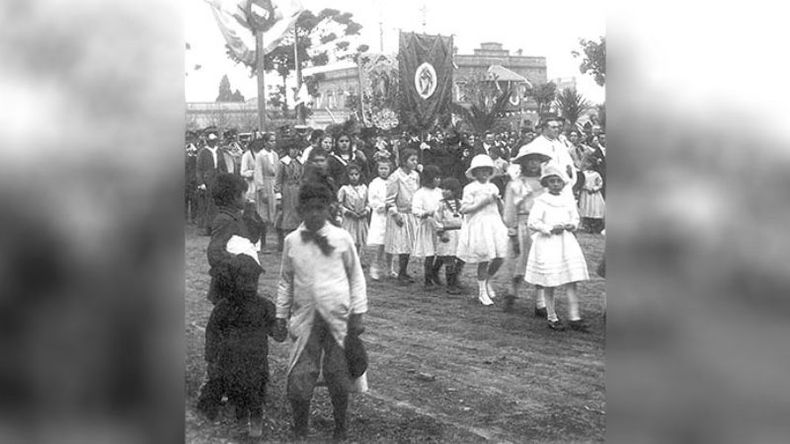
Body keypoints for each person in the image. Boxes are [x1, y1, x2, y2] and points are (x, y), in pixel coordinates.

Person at [274, 182, 368, 441]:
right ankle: (300, 428)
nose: (315, 213)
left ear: (330, 208)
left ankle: (340, 426)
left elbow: (356, 276)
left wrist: (358, 313)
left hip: (338, 317)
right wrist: (280, 315)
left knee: (338, 373)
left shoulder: (342, 237)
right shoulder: (292, 240)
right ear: (299, 209)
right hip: (306, 318)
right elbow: (285, 280)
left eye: (320, 208)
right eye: (309, 208)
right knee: (301, 375)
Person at [196, 253, 285, 437]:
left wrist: (281, 326)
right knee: (237, 394)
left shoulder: (264, 306)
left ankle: (256, 427)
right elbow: (212, 332)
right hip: (231, 362)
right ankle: (243, 424)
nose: (250, 284)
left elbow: (276, 334)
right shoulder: (224, 307)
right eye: (244, 279)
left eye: (254, 279)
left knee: (255, 395)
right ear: (233, 280)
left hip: (256, 363)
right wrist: (211, 360)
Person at [525, 165, 590, 332]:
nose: (555, 184)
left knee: (571, 279)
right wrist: (550, 228)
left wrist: (572, 225)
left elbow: (575, 217)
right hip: (548, 243)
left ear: (563, 183)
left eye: (558, 181)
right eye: (551, 181)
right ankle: (552, 316)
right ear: (546, 183)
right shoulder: (541, 201)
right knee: (550, 281)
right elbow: (533, 223)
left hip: (566, 243)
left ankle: (574, 316)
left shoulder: (568, 200)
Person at [502, 144, 552, 314]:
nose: (534, 164)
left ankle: (540, 302)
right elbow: (510, 209)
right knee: (519, 263)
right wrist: (513, 230)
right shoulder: (516, 184)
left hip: (542, 227)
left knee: (542, 263)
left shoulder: (547, 183)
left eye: (537, 161)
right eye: (530, 161)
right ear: (523, 163)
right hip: (524, 225)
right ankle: (512, 293)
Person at [456, 154, 509, 306]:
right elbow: (464, 209)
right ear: (475, 172)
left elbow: (500, 208)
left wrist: (499, 202)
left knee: (500, 256)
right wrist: (482, 202)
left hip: (494, 223)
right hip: (479, 224)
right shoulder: (469, 188)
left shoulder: (493, 187)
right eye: (481, 171)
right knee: (484, 259)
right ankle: (482, 292)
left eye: (487, 170)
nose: (484, 173)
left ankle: (488, 280)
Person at [206, 173, 264, 305]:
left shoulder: (238, 216)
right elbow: (214, 252)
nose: (247, 197)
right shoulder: (224, 219)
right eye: (244, 194)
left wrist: (250, 213)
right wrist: (239, 265)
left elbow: (253, 237)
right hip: (231, 283)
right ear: (234, 197)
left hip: (243, 281)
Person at [384, 148, 420, 285]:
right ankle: (400, 272)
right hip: (400, 214)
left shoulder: (415, 175)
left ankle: (404, 271)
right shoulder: (395, 177)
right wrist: (395, 214)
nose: (415, 162)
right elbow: (389, 199)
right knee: (402, 244)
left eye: (416, 160)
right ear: (404, 162)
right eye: (412, 160)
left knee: (409, 244)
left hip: (411, 214)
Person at [524, 116, 578, 202]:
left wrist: (570, 172)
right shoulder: (536, 145)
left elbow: (569, 163)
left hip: (564, 186)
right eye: (553, 127)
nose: (557, 130)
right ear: (544, 128)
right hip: (546, 188)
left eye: (557, 127)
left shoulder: (560, 145)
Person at [410, 165, 444, 289]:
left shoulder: (440, 192)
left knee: (441, 252)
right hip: (427, 226)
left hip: (439, 226)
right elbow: (415, 210)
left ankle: (435, 272)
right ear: (429, 179)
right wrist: (425, 213)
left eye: (439, 178)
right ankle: (427, 280)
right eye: (436, 178)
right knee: (429, 254)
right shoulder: (420, 193)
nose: (438, 180)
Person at [434, 177, 465, 294]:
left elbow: (465, 218)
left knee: (460, 257)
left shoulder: (461, 203)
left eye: (448, 189)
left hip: (459, 233)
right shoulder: (441, 205)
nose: (444, 191)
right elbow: (437, 219)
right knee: (448, 257)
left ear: (455, 191)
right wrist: (441, 232)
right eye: (443, 188)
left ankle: (455, 278)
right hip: (447, 233)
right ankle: (450, 285)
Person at [196, 128, 229, 235]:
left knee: (219, 203)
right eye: (210, 141)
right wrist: (201, 183)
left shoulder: (219, 151)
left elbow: (223, 166)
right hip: (208, 180)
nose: (212, 143)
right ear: (207, 141)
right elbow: (199, 169)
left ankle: (218, 226)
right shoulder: (203, 152)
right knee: (208, 205)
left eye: (214, 141)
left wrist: (226, 178)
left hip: (218, 179)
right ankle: (208, 227)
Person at [366, 159, 394, 280]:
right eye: (381, 168)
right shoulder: (374, 183)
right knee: (379, 244)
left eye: (385, 168)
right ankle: (375, 267)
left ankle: (390, 268)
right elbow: (372, 200)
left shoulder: (393, 181)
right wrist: (382, 206)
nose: (383, 171)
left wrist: (392, 207)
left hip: (391, 215)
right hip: (380, 216)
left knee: (391, 243)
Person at [274, 140, 304, 251]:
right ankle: (285, 241)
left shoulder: (300, 162)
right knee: (286, 216)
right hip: (286, 192)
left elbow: (302, 177)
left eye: (297, 149)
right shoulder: (283, 163)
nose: (295, 151)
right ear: (288, 150)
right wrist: (278, 196)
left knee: (297, 215)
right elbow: (278, 181)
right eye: (292, 149)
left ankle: (297, 242)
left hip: (298, 191)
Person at [254, 132, 280, 250]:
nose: (273, 143)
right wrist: (262, 190)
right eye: (270, 141)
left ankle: (279, 242)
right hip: (265, 184)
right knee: (263, 215)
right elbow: (258, 173)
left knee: (275, 213)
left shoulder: (275, 155)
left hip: (274, 185)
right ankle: (262, 243)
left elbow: (278, 172)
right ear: (265, 142)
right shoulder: (260, 155)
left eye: (274, 141)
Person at [337, 163, 370, 258]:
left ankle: (357, 259)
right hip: (349, 219)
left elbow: (368, 202)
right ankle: (348, 259)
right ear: (347, 176)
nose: (354, 177)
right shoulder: (344, 189)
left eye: (356, 174)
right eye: (351, 175)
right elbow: (339, 204)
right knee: (350, 240)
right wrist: (347, 212)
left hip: (361, 218)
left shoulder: (364, 188)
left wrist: (365, 211)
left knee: (360, 240)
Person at [578, 168, 605, 233]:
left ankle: (595, 226)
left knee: (594, 208)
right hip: (585, 193)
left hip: (593, 194)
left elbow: (599, 183)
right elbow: (580, 181)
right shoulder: (583, 173)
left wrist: (594, 189)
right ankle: (586, 226)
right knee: (586, 208)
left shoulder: (596, 174)